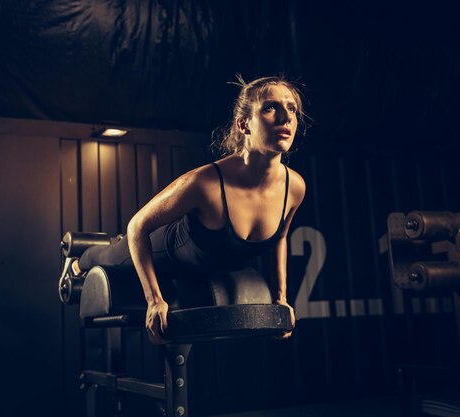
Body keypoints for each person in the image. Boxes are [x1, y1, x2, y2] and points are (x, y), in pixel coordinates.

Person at [70, 75, 307, 344]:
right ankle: (78, 261)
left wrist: (281, 299)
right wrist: (155, 300)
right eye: (270, 107)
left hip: (206, 267)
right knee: (111, 256)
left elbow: (280, 238)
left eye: (291, 109)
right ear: (244, 124)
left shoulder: (295, 187)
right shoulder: (205, 183)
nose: (286, 118)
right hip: (167, 251)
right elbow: (138, 226)